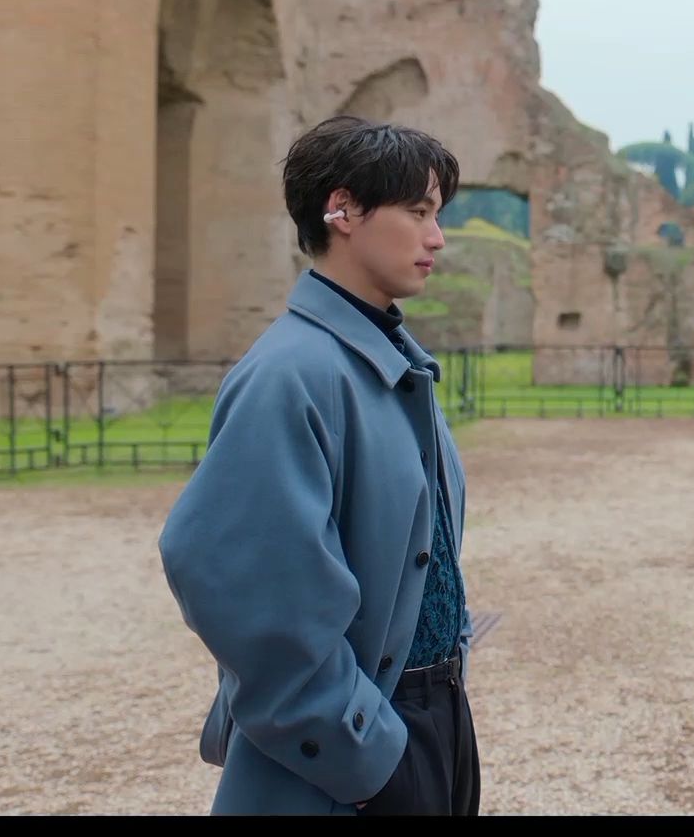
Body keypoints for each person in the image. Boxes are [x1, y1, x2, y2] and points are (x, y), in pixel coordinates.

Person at [159, 114, 481, 815]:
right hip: (355, 754)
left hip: (430, 719)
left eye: (437, 215)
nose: (437, 237)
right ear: (342, 210)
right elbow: (231, 579)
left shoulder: (390, 362)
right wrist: (365, 754)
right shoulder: (292, 373)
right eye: (418, 212)